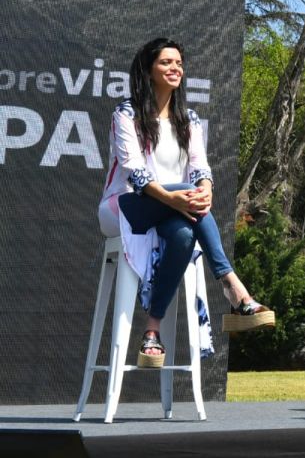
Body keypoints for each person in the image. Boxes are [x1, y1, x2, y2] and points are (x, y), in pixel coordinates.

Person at [98, 38, 274, 369]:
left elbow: (200, 167)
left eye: (178, 63)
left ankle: (151, 330)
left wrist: (204, 190)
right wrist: (176, 197)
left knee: (182, 236)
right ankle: (231, 284)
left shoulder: (188, 118)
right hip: (124, 208)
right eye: (166, 62)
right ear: (148, 70)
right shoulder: (126, 113)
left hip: (175, 210)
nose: (175, 68)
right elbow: (135, 172)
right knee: (187, 194)